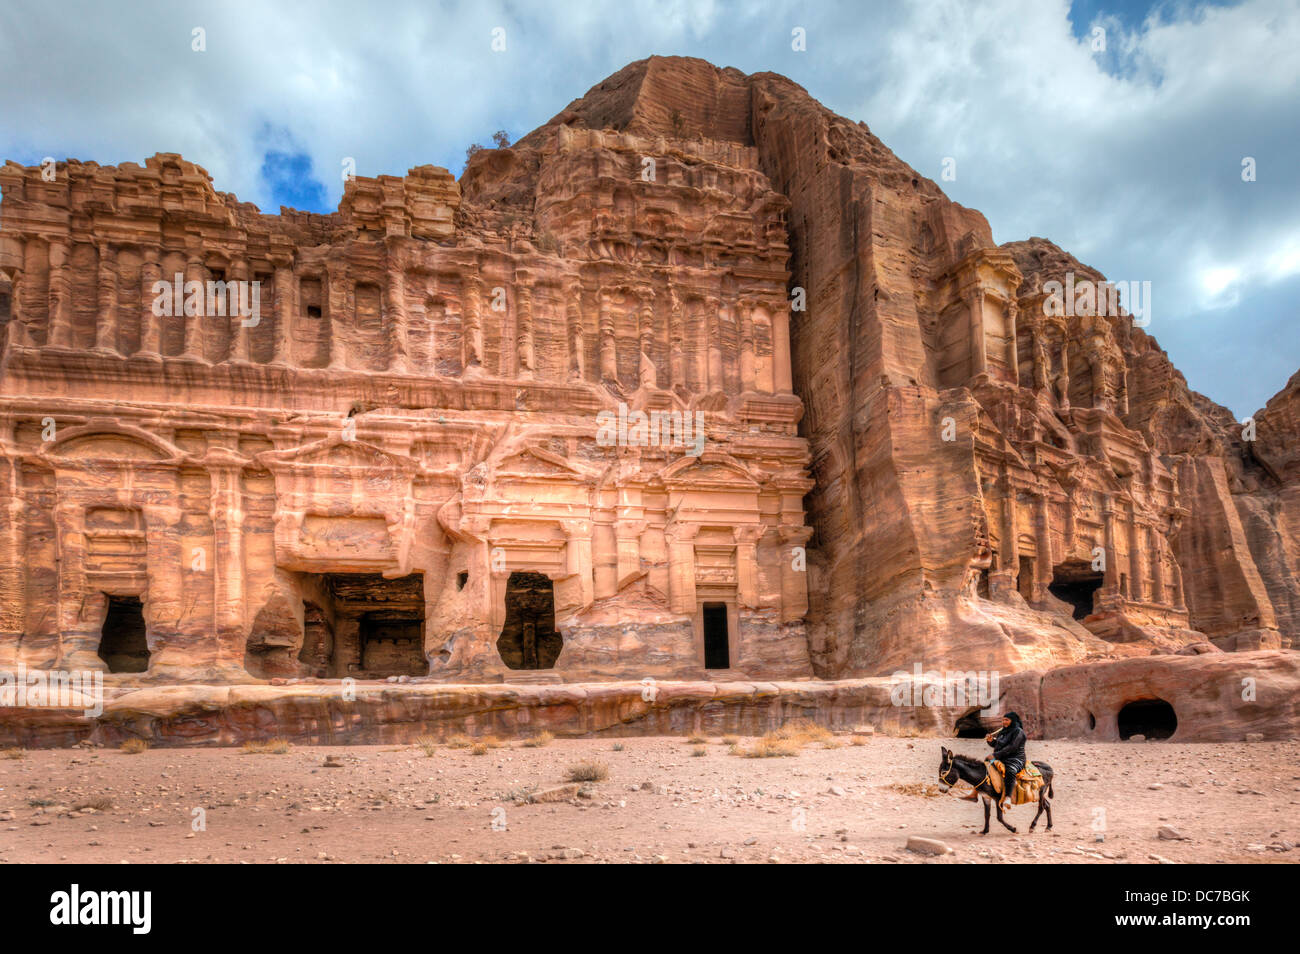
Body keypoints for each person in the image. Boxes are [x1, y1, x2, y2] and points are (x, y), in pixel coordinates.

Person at [986, 711, 1027, 809]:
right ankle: (976, 793)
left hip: (1015, 759)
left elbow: (1012, 747)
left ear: (1013, 721)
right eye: (1003, 720)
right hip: (1003, 757)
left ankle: (1008, 797)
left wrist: (995, 755)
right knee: (985, 764)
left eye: (1007, 720)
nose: (1004, 722)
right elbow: (999, 744)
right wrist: (991, 741)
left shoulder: (1018, 732)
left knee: (1010, 771)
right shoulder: (1003, 731)